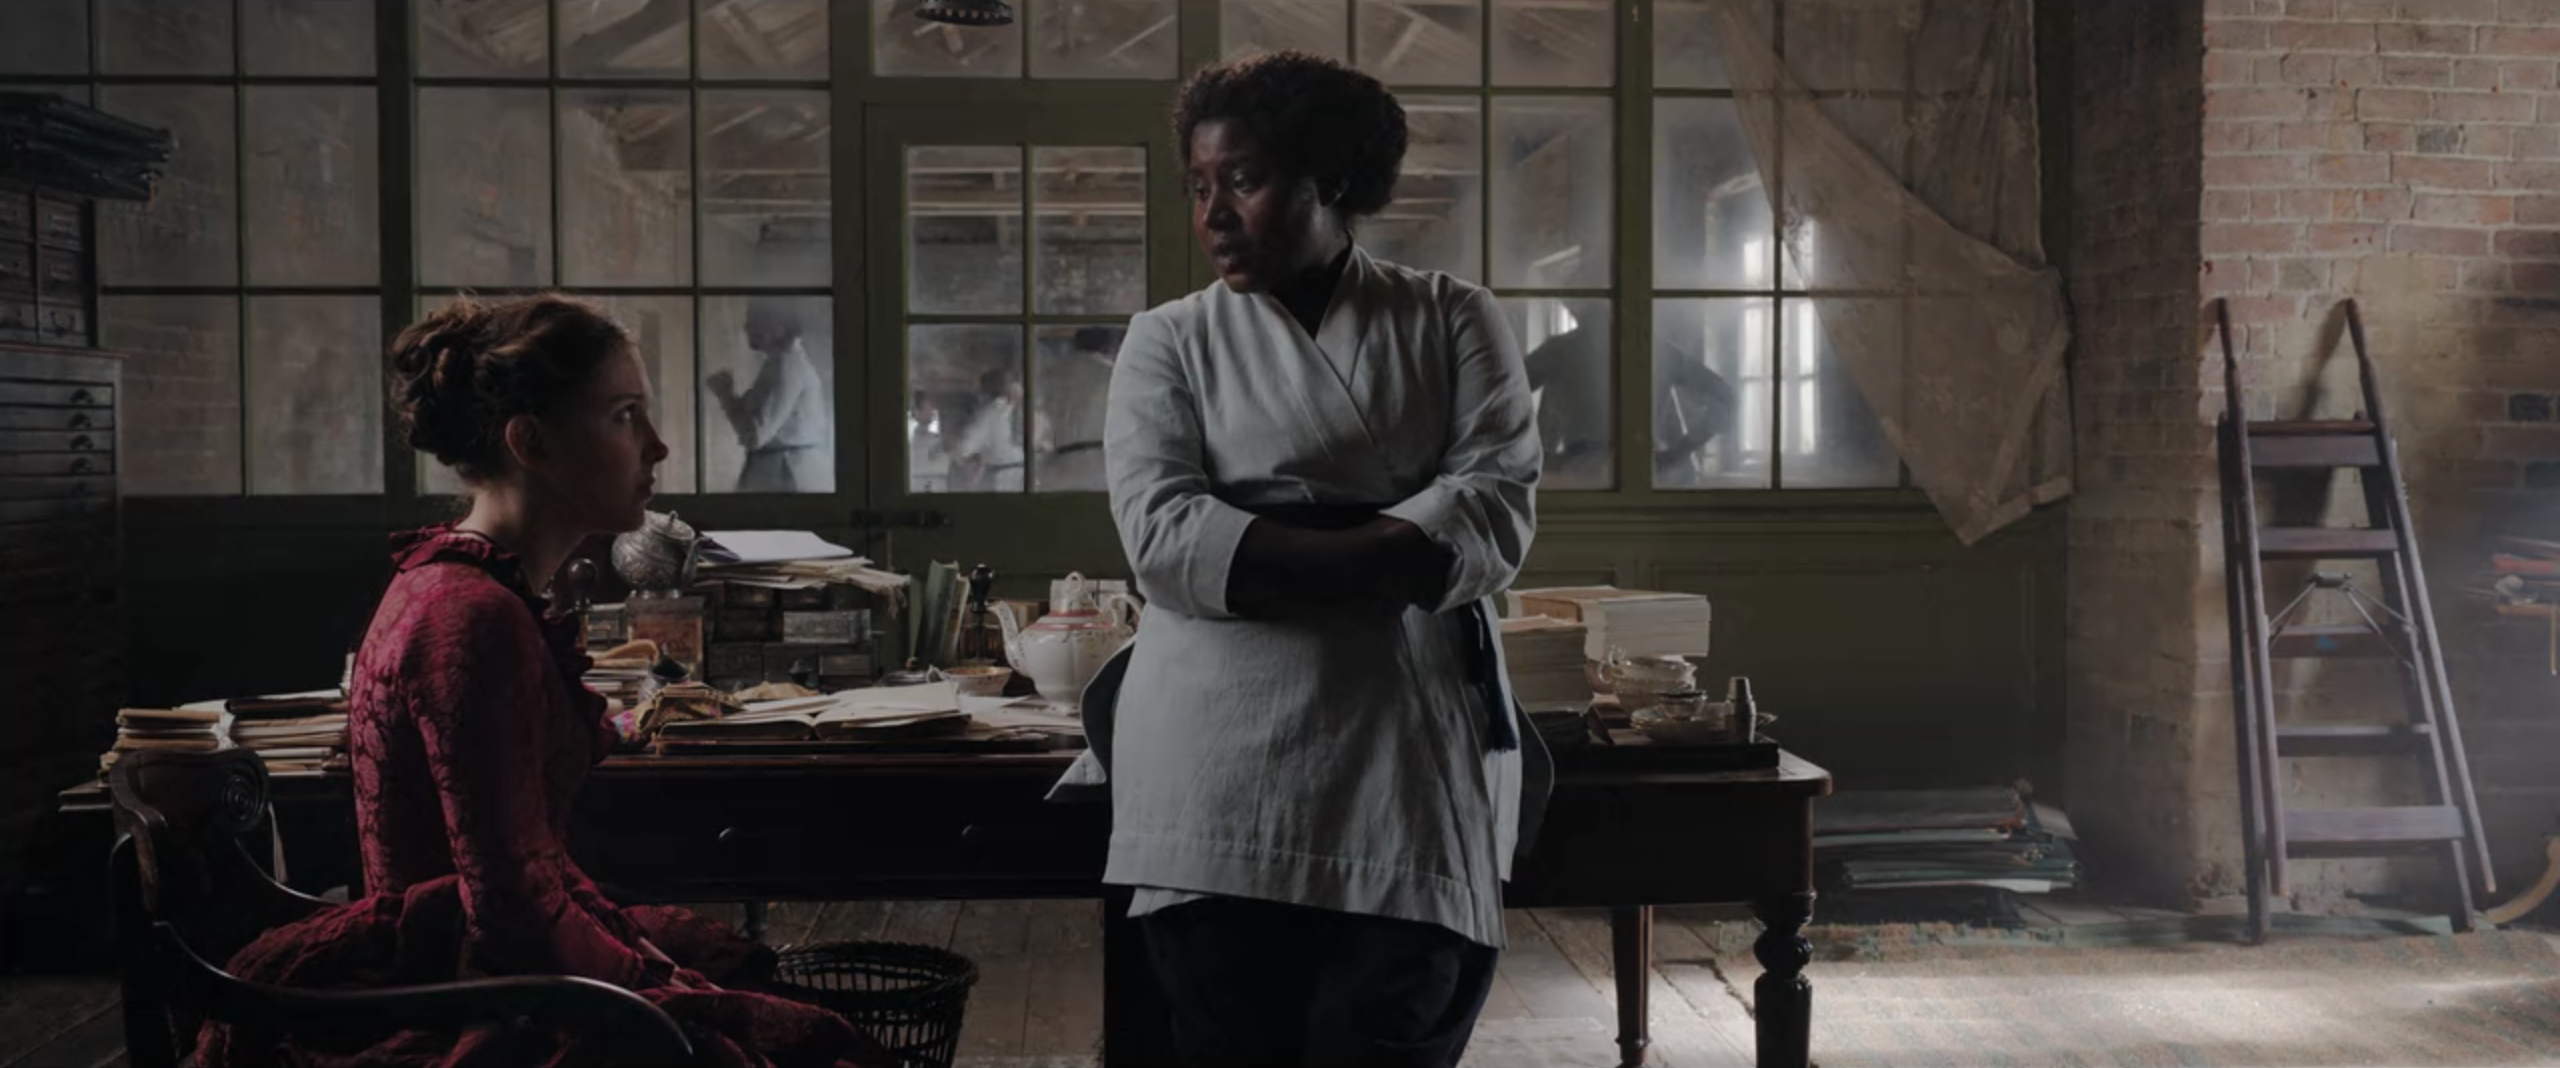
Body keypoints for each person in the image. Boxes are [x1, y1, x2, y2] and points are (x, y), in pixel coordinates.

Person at [197, 294, 892, 1068]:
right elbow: (513, 915)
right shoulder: (470, 614)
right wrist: (650, 983)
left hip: (479, 962)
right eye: (625, 416)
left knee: (754, 990)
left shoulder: (476, 591)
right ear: (531, 441)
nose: (657, 447)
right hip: (469, 997)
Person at [1084, 50, 1546, 1067]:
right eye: (1198, 185)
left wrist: (1259, 544)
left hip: (1399, 759)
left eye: (1242, 180)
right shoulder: (1169, 341)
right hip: (1216, 771)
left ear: (1331, 181)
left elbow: (1494, 509)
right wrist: (1392, 542)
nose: (1212, 214)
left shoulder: (1450, 316)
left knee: (1387, 1035)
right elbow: (1165, 546)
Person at [708, 299, 827, 492]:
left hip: (784, 477)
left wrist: (726, 395)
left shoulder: (787, 368)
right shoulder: (779, 365)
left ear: (779, 322)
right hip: (780, 473)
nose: (747, 327)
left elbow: (755, 435)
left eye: (755, 320)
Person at [953, 366, 1025, 492]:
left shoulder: (989, 415)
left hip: (1012, 483)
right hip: (1015, 482)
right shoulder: (990, 415)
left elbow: (962, 450)